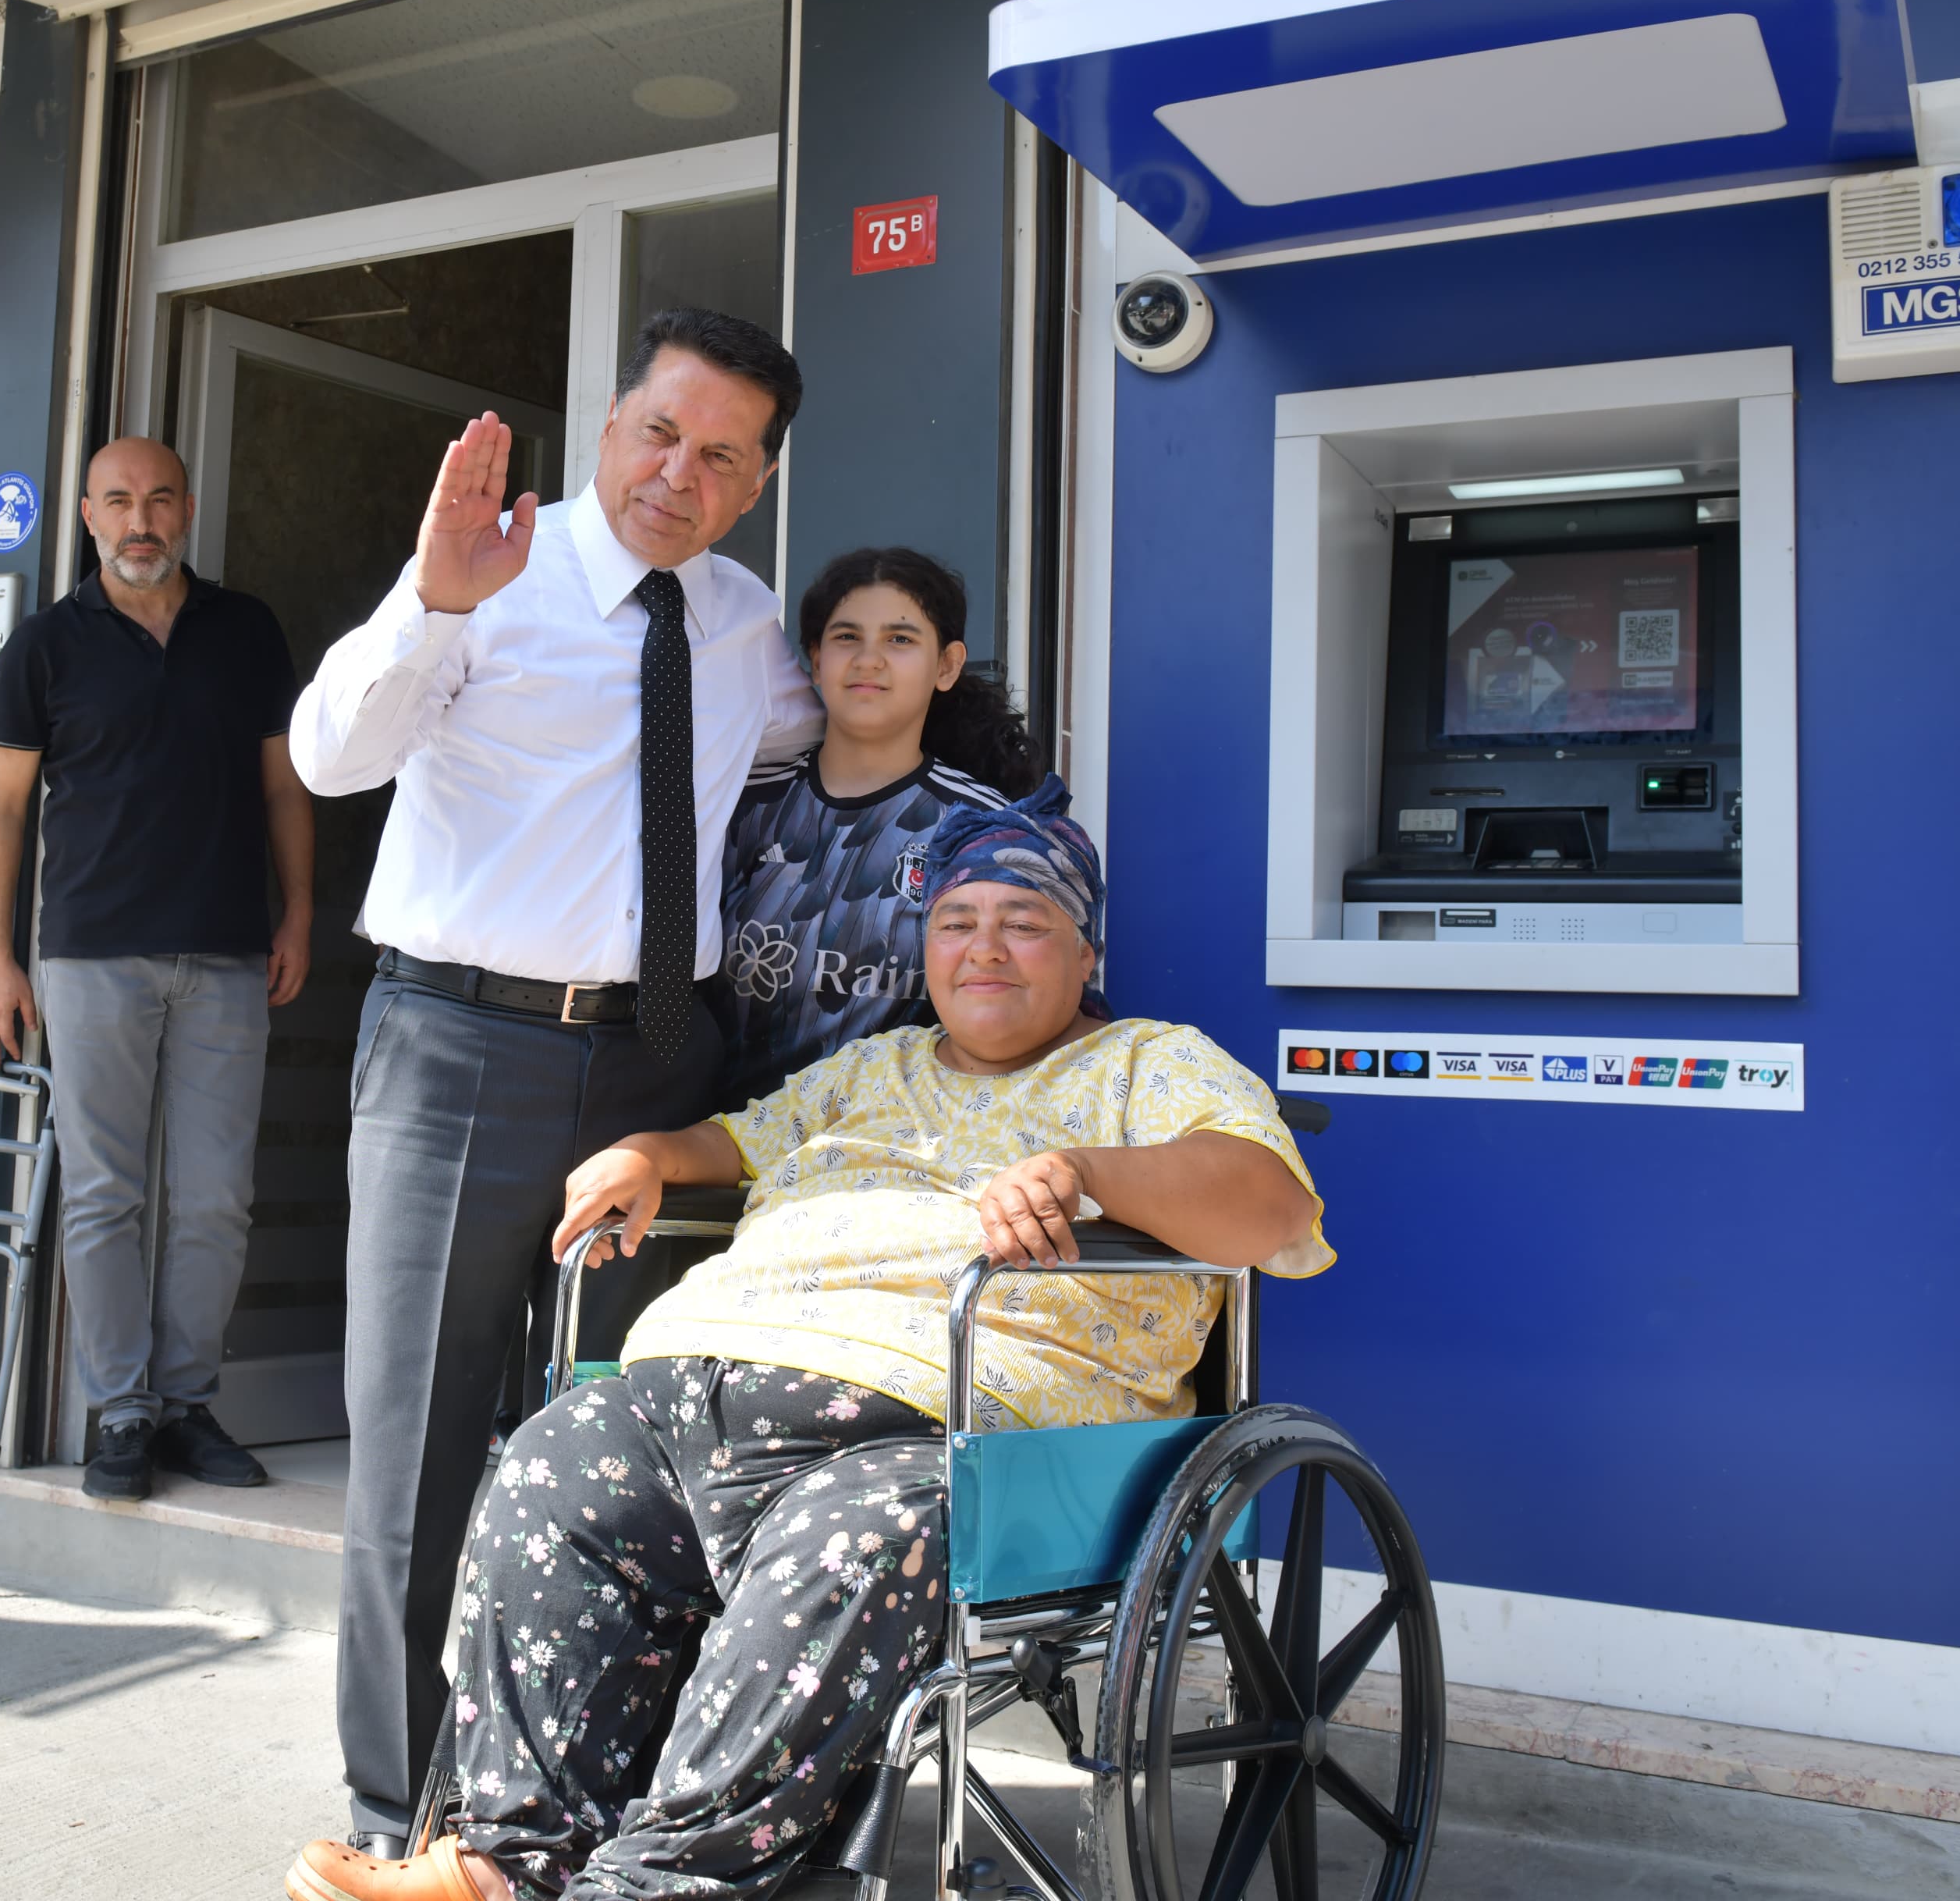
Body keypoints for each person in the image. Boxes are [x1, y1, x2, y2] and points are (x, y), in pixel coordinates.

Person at [286, 788, 1332, 1901]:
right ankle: (505, 1862)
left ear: (1087, 952)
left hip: (930, 1428)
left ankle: (654, 1887)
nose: (983, 947)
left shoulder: (1148, 1065)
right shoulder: (875, 1068)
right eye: (956, 922)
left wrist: (1087, 1172)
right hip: (693, 1388)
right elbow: (739, 1140)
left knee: (856, 1540)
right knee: (551, 1464)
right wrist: (653, 1154)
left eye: (1023, 923)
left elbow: (1273, 1206)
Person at [290, 308, 826, 1850]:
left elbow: (823, 737)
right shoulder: (488, 577)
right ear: (608, 423)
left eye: (721, 454)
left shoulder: (742, 621)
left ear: (757, 481)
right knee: (420, 1440)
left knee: (641, 1436)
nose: (679, 472)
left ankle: (592, 1786)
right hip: (463, 1048)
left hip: (662, 1061)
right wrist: (429, 598)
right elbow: (330, 755)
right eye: (660, 431)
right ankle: (400, 1817)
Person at [0, 438, 314, 1501]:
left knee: (216, 1198)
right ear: (88, 514)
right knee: (102, 1195)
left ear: (187, 509)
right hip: (89, 957)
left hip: (228, 952)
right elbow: (1, 811)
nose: (140, 520)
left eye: (160, 499)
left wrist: (300, 912)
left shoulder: (246, 630)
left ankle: (185, 1404)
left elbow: (285, 787)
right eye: (118, 500)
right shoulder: (44, 646)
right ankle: (121, 1409)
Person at [714, 545, 1042, 1107]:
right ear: (815, 660)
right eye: (847, 637)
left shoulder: (987, 829)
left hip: (895, 1142)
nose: (869, 660)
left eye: (900, 639)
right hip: (717, 1136)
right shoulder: (740, 805)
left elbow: (1026, 1008)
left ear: (947, 666)